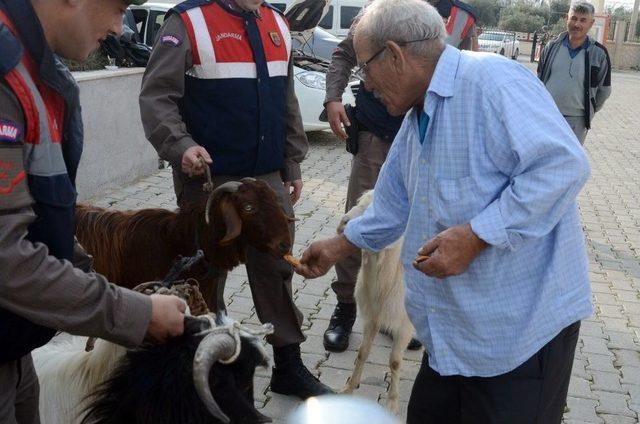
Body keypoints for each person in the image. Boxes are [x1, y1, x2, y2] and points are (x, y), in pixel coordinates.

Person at [296, 0, 592, 422]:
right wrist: (340, 246)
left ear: (395, 55)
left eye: (365, 68)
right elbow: (394, 202)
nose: (365, 82)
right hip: (451, 338)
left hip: (519, 338)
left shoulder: (492, 81)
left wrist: (477, 235)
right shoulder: (418, 113)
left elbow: (564, 165)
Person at [0, 0, 187, 422]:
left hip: (13, 346)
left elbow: (42, 225)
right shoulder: (5, 73)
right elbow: (7, 258)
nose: (121, 28)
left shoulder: (34, 70)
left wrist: (102, 283)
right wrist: (132, 315)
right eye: (118, 8)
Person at [138, 0, 333, 400]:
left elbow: (286, 97)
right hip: (209, 180)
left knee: (277, 265)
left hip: (265, 178)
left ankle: (289, 366)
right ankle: (202, 366)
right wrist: (180, 146)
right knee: (205, 275)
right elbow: (158, 96)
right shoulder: (188, 21)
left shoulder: (276, 21)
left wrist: (291, 162)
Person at [322, 0, 477, 352]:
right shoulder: (380, 14)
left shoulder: (461, 17)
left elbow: (465, 65)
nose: (368, 76)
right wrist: (333, 97)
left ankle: (397, 314)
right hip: (377, 133)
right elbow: (345, 55)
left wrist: (479, 235)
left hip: (430, 134)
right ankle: (345, 307)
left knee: (415, 230)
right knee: (360, 216)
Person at [538, 1, 611, 144]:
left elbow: (605, 90)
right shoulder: (552, 47)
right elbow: (540, 78)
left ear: (591, 23)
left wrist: (590, 108)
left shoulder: (599, 53)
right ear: (567, 18)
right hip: (548, 115)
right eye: (574, 18)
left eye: (583, 20)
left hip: (577, 122)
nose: (577, 24)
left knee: (569, 163)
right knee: (544, 159)